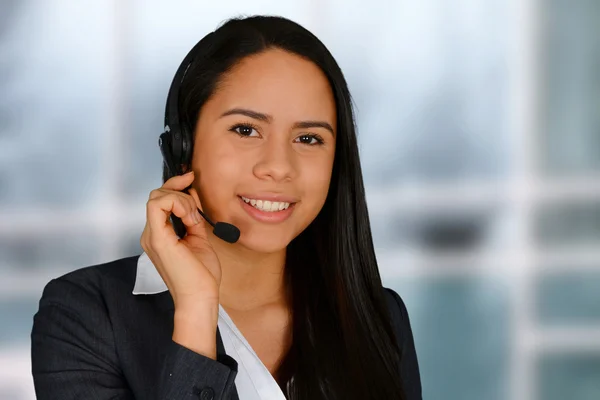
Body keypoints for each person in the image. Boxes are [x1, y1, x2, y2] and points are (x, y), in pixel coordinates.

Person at [30, 15, 422, 400]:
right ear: (182, 147)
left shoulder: (378, 316)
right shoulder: (86, 314)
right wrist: (197, 311)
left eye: (308, 138)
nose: (279, 167)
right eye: (246, 130)